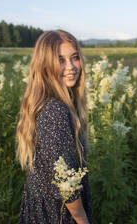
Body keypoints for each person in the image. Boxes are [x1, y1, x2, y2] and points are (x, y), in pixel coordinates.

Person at [16, 30, 93, 224]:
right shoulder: (55, 111)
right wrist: (83, 219)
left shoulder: (49, 102)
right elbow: (66, 181)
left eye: (74, 58)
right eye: (61, 60)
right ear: (45, 65)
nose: (71, 67)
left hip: (46, 207)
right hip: (57, 213)